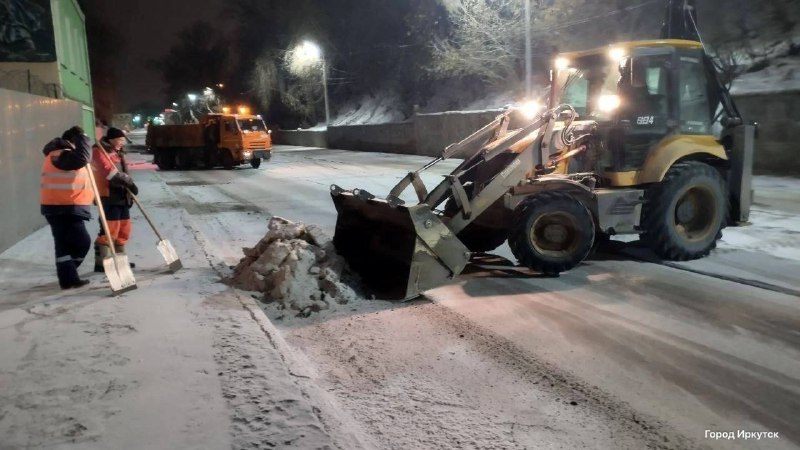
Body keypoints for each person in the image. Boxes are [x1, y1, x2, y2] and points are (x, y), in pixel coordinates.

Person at [40, 126, 93, 289]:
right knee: (82, 241)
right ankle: (69, 274)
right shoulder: (59, 154)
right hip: (62, 207)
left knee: (63, 243)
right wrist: (83, 137)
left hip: (64, 205)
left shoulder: (64, 155)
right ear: (73, 141)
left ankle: (68, 276)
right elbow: (83, 158)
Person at [92, 127, 138, 272]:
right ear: (112, 140)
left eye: (123, 139)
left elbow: (123, 172)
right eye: (120, 139)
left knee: (124, 228)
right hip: (108, 195)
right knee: (109, 230)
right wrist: (128, 182)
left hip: (122, 195)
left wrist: (129, 187)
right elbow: (108, 172)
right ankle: (102, 262)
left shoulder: (118, 152)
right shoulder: (99, 151)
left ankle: (120, 260)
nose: (122, 142)